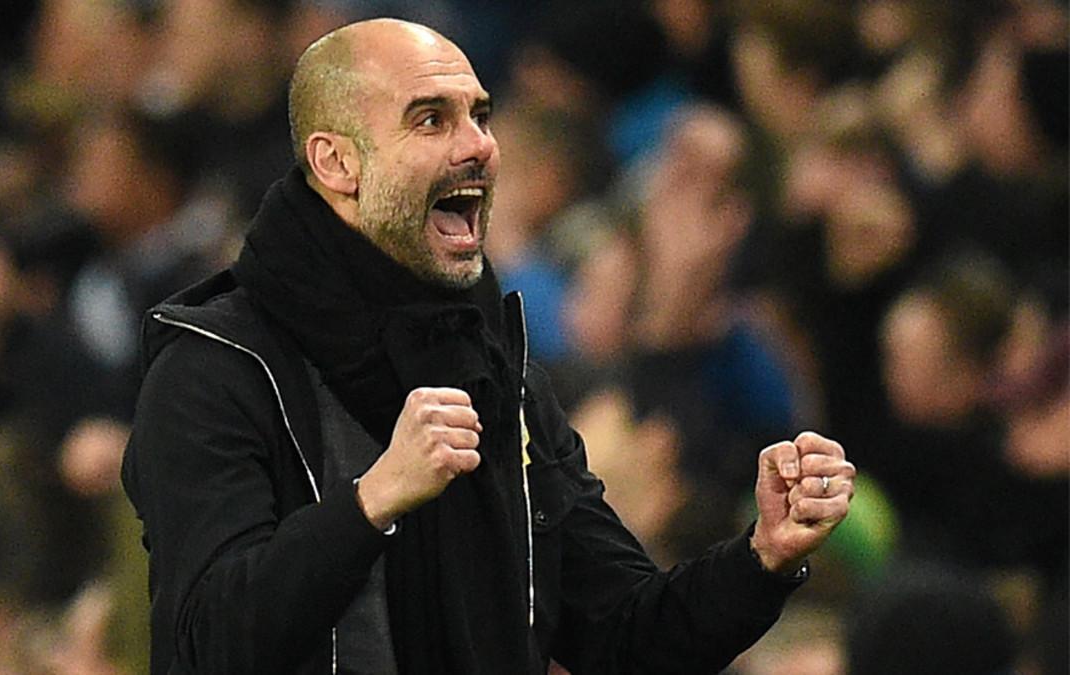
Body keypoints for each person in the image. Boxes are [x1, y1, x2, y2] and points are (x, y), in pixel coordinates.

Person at [121, 18, 856, 674]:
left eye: (480, 115)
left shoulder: (497, 373)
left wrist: (760, 556)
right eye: (431, 120)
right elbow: (206, 643)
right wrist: (371, 502)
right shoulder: (216, 369)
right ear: (336, 163)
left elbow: (624, 635)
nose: (478, 146)